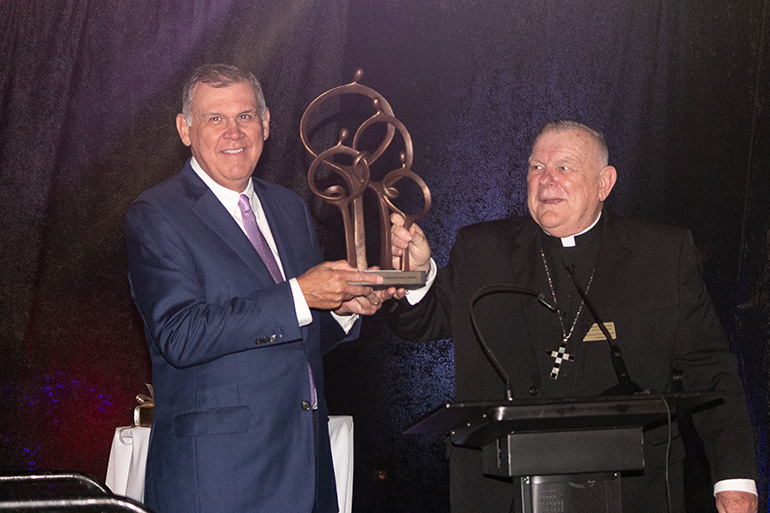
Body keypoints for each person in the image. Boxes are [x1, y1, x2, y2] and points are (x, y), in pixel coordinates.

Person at [387, 120, 758, 513]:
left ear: (604, 183)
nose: (546, 180)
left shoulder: (662, 255)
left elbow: (711, 369)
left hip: (635, 489)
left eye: (564, 167)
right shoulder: (481, 249)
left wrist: (734, 480)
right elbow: (423, 322)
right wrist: (417, 277)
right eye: (536, 168)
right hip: (500, 491)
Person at [126, 64, 389, 513]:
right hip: (218, 483)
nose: (234, 132)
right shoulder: (157, 214)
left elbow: (295, 337)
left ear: (266, 124)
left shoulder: (287, 208)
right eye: (215, 119)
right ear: (184, 130)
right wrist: (300, 295)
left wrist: (343, 307)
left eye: (246, 116)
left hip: (304, 472)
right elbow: (180, 334)